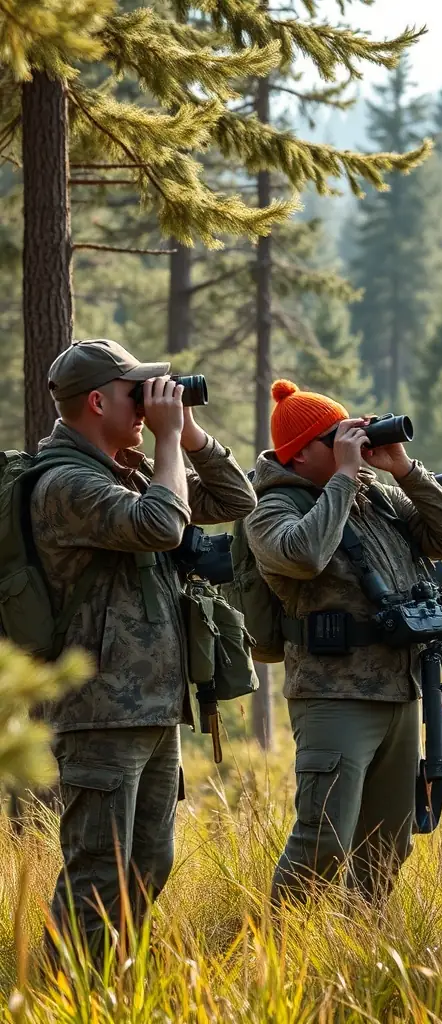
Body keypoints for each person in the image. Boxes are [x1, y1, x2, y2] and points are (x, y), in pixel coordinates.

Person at [31, 339, 256, 952]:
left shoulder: (128, 474)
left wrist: (189, 437)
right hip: (99, 709)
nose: (148, 407)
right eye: (138, 396)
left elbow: (239, 502)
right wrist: (162, 442)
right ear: (97, 400)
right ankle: (62, 999)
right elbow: (162, 525)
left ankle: (109, 993)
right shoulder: (65, 483)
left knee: (146, 868)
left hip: (151, 705)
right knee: (98, 876)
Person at [245, 379, 442, 905]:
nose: (353, 445)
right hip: (334, 694)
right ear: (300, 453)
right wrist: (345, 478)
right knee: (323, 840)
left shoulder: (382, 499)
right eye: (336, 439)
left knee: (386, 847)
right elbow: (303, 556)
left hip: (401, 688)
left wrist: (405, 469)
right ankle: (276, 957)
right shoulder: (272, 508)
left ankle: (357, 949)